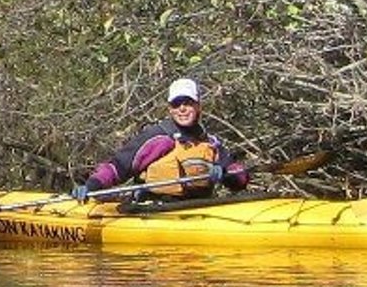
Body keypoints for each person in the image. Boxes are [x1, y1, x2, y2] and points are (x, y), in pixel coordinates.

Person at [88, 77, 253, 198]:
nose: (182, 109)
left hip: (197, 210)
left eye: (187, 103)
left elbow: (239, 178)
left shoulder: (210, 144)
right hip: (154, 211)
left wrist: (226, 173)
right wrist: (92, 185)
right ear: (170, 109)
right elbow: (117, 167)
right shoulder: (158, 139)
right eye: (176, 104)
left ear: (198, 106)